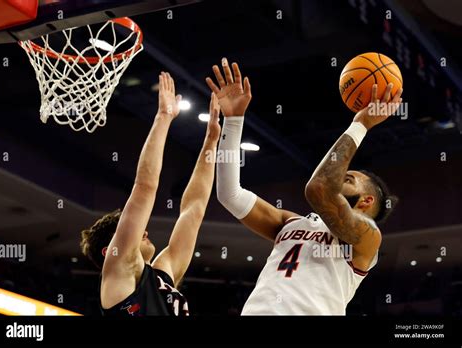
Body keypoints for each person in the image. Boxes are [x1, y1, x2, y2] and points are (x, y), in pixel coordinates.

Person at [207, 58, 401, 315]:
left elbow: (319, 188)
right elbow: (229, 194)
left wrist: (361, 124)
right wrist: (234, 120)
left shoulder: (366, 239)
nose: (337, 177)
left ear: (366, 201)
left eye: (347, 179)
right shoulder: (292, 224)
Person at [80, 72, 221, 316]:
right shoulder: (117, 273)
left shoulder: (162, 276)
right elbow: (144, 188)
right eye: (126, 230)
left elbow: (194, 209)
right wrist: (163, 117)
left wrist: (211, 141)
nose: (144, 230)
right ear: (109, 250)